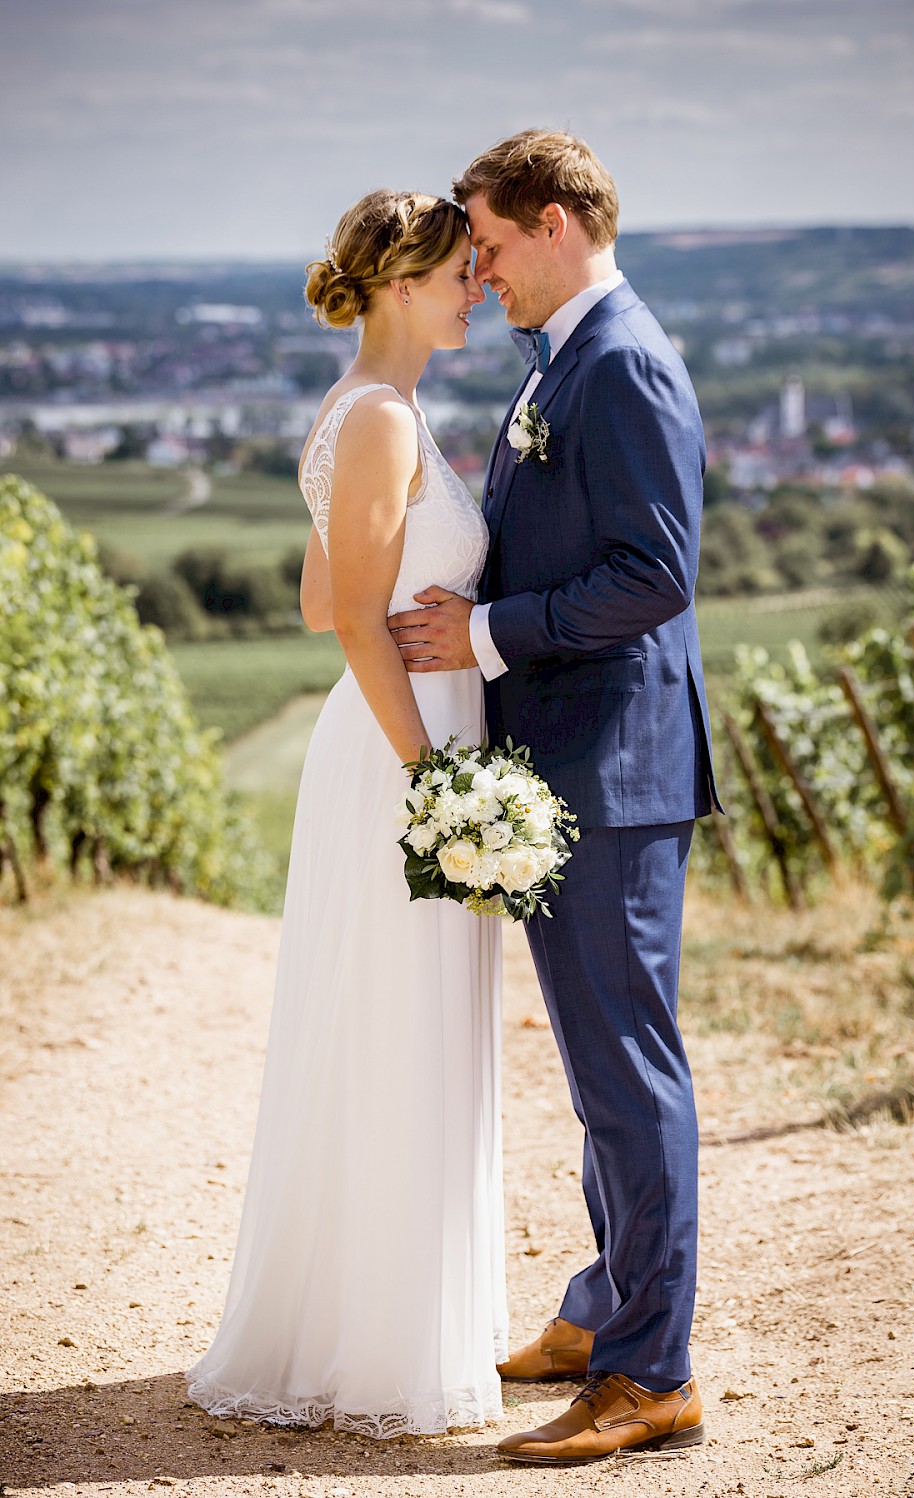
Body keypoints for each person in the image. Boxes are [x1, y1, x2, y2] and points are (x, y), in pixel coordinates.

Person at [388, 130, 719, 1465]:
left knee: (630, 1076)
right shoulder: (563, 356)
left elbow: (655, 572)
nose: (482, 268)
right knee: (597, 1071)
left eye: (492, 243)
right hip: (573, 765)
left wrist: (481, 636)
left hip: (614, 774)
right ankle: (602, 1313)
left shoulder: (621, 359)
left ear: (559, 223)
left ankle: (655, 1372)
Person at [186, 190, 509, 1436]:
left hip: (397, 736)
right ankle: (384, 1347)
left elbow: (326, 598)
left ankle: (384, 1320)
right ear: (396, 286)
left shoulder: (366, 411)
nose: (472, 287)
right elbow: (360, 621)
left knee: (394, 1022)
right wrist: (432, 768)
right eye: (454, 274)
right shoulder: (379, 418)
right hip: (401, 749)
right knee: (399, 1024)